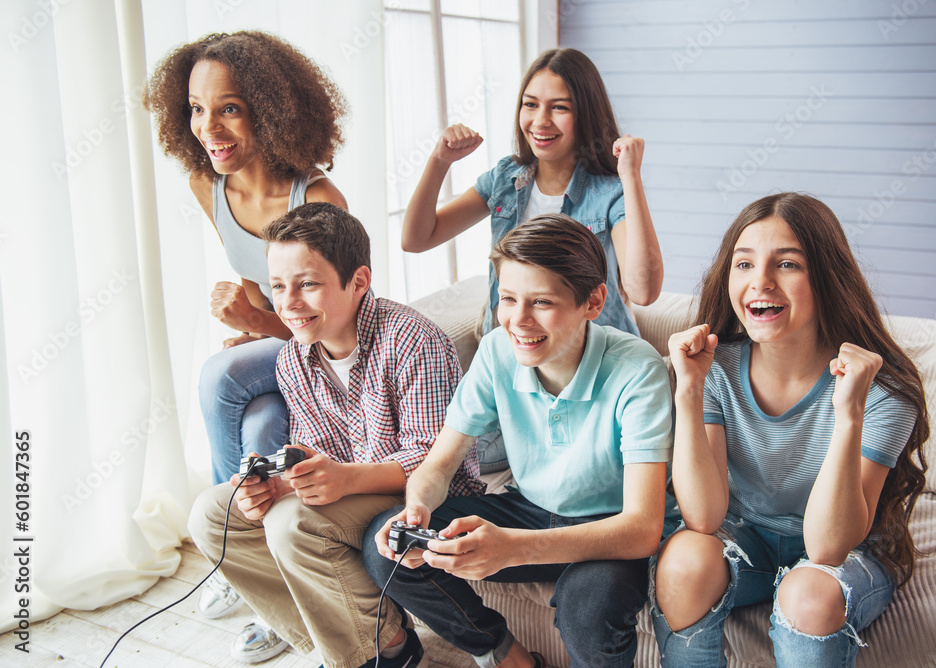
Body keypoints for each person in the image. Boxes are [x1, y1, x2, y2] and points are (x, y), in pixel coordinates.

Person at [364, 214, 674, 667]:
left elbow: (643, 528)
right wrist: (418, 508)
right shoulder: (496, 351)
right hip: (529, 510)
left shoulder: (636, 370)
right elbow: (440, 464)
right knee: (386, 541)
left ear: (593, 302)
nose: (518, 320)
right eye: (508, 298)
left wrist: (511, 548)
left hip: (609, 528)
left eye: (541, 302)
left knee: (588, 611)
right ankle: (504, 655)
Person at [188, 202, 484, 666]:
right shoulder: (293, 358)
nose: (288, 304)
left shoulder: (412, 340)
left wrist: (343, 479)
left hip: (431, 498)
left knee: (292, 524)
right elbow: (319, 453)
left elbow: (434, 460)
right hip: (357, 491)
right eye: (279, 287)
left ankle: (372, 652)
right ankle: (369, 639)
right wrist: (277, 485)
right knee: (212, 513)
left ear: (359, 282)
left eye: (307, 284)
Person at [651, 193, 929, 667]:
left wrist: (848, 415)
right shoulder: (715, 370)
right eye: (744, 264)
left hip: (845, 553)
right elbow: (702, 517)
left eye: (787, 265)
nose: (760, 282)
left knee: (808, 594)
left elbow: (827, 548)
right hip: (747, 538)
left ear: (826, 277)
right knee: (682, 560)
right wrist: (689, 390)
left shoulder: (884, 392)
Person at [144, 30, 349, 632]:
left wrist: (255, 327)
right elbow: (261, 284)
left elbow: (340, 330)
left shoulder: (317, 198)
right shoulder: (206, 187)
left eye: (229, 108)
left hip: (337, 359)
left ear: (273, 111)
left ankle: (226, 540)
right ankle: (262, 581)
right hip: (286, 348)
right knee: (260, 426)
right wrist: (258, 325)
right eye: (197, 109)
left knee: (222, 372)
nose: (210, 128)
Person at [402, 47, 663, 338]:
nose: (540, 120)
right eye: (530, 104)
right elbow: (416, 239)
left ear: (586, 114)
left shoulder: (608, 192)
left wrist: (630, 178)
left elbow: (643, 292)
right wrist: (440, 162)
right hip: (516, 350)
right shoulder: (504, 178)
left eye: (560, 107)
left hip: (597, 355)